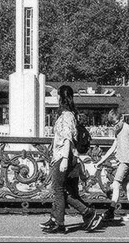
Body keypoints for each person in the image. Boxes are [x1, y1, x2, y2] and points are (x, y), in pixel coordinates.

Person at [41, 85, 104, 234]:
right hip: (67, 157)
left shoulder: (67, 115)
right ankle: (86, 213)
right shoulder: (69, 114)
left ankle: (60, 224)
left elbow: (67, 138)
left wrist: (63, 159)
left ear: (60, 98)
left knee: (58, 190)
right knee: (65, 192)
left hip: (64, 157)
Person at [94, 109, 129, 222]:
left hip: (126, 162)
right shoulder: (117, 130)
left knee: (116, 184)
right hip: (122, 161)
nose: (115, 125)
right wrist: (101, 160)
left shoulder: (128, 128)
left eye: (116, 123)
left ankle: (111, 211)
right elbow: (113, 146)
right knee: (126, 187)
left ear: (121, 119)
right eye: (112, 124)